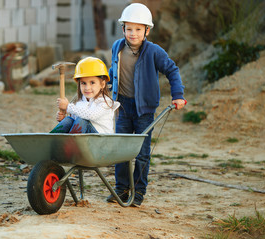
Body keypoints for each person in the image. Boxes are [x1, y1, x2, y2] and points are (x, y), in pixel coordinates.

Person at [107, 3, 187, 207]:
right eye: (129, 28)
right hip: (123, 107)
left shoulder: (153, 51)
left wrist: (178, 95)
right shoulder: (117, 47)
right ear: (123, 28)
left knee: (142, 153)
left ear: (147, 30)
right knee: (121, 150)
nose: (133, 34)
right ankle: (121, 189)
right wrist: (104, 81)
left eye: (138, 29)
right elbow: (113, 69)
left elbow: (172, 70)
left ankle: (139, 191)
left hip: (144, 110)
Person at [50, 57, 120, 134]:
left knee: (82, 120)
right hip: (84, 139)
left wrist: (68, 107)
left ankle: (71, 144)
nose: (87, 88)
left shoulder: (105, 102)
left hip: (101, 140)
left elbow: (91, 115)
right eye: (83, 83)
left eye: (92, 83)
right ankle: (48, 140)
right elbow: (75, 118)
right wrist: (62, 119)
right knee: (68, 120)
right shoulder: (79, 102)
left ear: (102, 84)